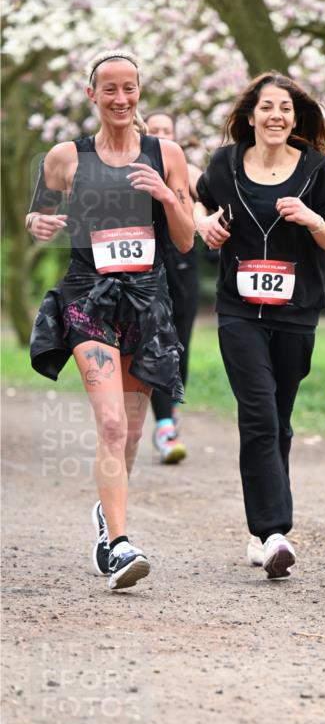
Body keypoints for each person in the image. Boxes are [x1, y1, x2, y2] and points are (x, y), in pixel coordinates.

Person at [28, 50, 194, 591]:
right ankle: (121, 547)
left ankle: (107, 521)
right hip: (87, 299)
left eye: (130, 89)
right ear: (91, 95)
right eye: (110, 89)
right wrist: (39, 223)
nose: (121, 99)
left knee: (130, 436)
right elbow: (38, 210)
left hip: (146, 300)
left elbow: (187, 239)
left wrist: (168, 196)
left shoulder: (164, 152)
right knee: (112, 424)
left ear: (139, 93)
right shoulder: (64, 157)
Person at [194, 71, 325, 579]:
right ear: (251, 116)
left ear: (295, 117)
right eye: (267, 107)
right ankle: (276, 530)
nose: (276, 116)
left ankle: (260, 535)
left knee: (277, 419)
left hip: (296, 312)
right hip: (238, 310)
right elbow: (199, 200)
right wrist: (204, 224)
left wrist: (310, 219)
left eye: (285, 108)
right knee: (257, 413)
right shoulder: (226, 164)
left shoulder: (317, 171)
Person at [144, 110, 201, 464]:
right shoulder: (134, 170)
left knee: (181, 345)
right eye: (155, 130)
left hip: (185, 268)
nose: (162, 135)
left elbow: (208, 208)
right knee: (157, 343)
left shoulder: (191, 173)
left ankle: (171, 411)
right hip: (149, 267)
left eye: (168, 130)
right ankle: (164, 425)